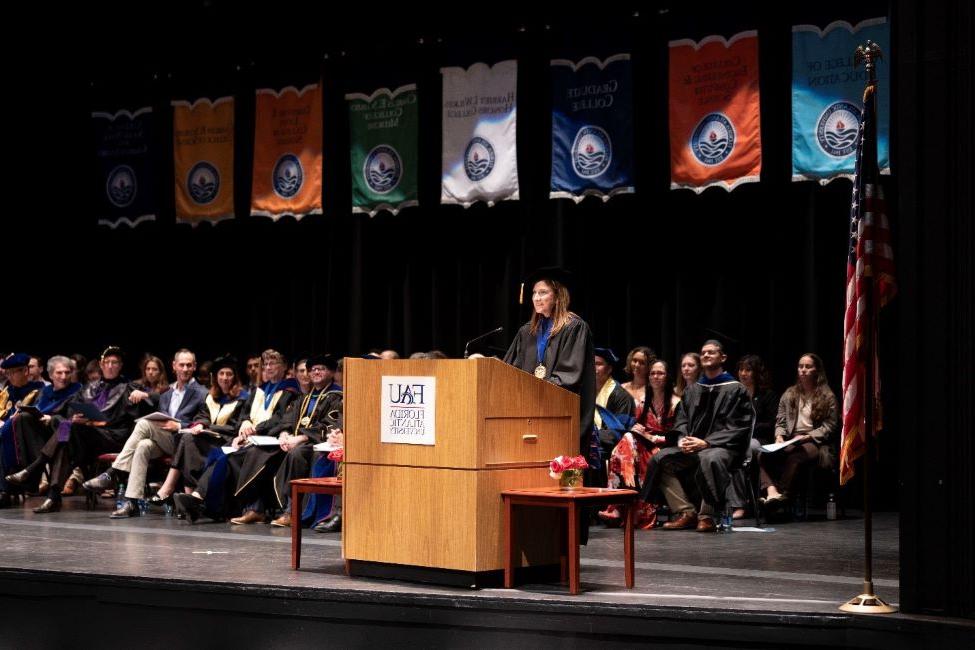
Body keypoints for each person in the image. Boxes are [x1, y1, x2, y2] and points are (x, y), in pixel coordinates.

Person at [173, 349, 300, 523]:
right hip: (252, 439)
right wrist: (245, 425)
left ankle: (207, 504)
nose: (269, 367)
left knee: (229, 458)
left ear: (284, 366)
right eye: (267, 364)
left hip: (271, 442)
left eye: (274, 363)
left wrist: (255, 430)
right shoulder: (260, 390)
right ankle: (200, 501)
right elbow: (244, 415)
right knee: (222, 454)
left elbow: (281, 420)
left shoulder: (291, 390)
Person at [642, 340, 753, 532]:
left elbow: (740, 426)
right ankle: (686, 512)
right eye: (703, 353)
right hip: (693, 445)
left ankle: (707, 515)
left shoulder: (736, 389)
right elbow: (681, 419)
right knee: (660, 459)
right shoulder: (693, 389)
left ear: (723, 357)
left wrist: (707, 442)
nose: (706, 355)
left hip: (723, 448)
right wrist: (683, 439)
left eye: (711, 352)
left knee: (709, 458)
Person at [82, 349, 208, 518]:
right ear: (174, 366)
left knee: (142, 424)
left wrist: (178, 425)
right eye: (182, 365)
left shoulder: (201, 393)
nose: (185, 369)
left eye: (189, 365)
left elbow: (204, 420)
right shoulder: (167, 393)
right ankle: (132, 503)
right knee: (142, 446)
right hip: (162, 440)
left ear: (194, 367)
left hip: (183, 442)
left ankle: (113, 473)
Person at [23, 346, 142, 513]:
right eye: (107, 362)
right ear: (101, 364)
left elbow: (155, 399)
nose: (110, 366)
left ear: (120, 365)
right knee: (65, 431)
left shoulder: (130, 387)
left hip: (112, 438)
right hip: (87, 437)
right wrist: (75, 417)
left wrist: (144, 395)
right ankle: (53, 496)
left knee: (67, 432)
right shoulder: (89, 387)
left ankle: (37, 467)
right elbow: (68, 407)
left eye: (114, 362)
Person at [504, 267, 595, 455]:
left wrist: (534, 391)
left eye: (543, 292)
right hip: (528, 415)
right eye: (534, 293)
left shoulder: (574, 327)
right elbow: (509, 370)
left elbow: (568, 376)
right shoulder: (527, 331)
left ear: (558, 296)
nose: (536, 298)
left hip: (559, 414)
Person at [150, 355, 248, 506]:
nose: (225, 378)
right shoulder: (211, 397)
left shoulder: (243, 397)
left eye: (229, 374)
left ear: (235, 377)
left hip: (228, 443)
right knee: (187, 437)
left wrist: (209, 427)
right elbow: (203, 416)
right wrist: (201, 425)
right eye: (221, 374)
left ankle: (170, 488)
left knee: (187, 440)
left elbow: (236, 426)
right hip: (209, 440)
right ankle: (188, 496)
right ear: (215, 377)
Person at [599, 359, 678, 529]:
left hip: (666, 448)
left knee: (628, 446)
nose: (655, 377)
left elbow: (677, 436)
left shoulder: (676, 403)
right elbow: (638, 426)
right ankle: (619, 506)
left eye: (660, 373)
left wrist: (651, 438)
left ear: (668, 376)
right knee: (627, 440)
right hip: (643, 445)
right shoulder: (643, 402)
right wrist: (637, 429)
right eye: (652, 373)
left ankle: (617, 507)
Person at [268, 354, 343, 528]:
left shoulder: (337, 397)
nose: (316, 372)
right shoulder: (304, 398)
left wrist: (301, 438)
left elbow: (329, 425)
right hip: (296, 441)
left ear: (331, 372)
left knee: (297, 453)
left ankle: (292, 511)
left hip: (318, 443)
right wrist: (285, 434)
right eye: (313, 369)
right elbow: (287, 419)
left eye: (321, 369)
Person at [759, 353, 838, 506]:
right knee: (761, 456)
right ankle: (772, 491)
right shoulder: (790, 394)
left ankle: (782, 495)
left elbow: (830, 425)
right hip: (791, 439)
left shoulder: (827, 396)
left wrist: (808, 436)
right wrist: (779, 437)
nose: (803, 370)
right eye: (800, 366)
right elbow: (780, 420)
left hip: (816, 442)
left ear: (817, 370)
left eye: (808, 367)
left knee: (796, 456)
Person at [2, 356, 81, 501]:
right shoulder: (45, 392)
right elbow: (37, 410)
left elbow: (77, 418)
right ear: (50, 375)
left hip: (69, 439)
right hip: (44, 440)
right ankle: (29, 479)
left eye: (67, 372)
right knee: (23, 418)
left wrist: (51, 419)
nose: (63, 377)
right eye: (59, 373)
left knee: (60, 422)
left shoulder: (78, 390)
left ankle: (33, 468)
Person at [725, 354, 778, 518]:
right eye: (741, 369)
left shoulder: (767, 395)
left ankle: (740, 505)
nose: (743, 373)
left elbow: (771, 423)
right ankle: (764, 490)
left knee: (744, 449)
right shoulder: (733, 394)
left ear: (756, 373)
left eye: (748, 370)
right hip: (737, 440)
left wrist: (748, 428)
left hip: (759, 439)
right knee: (732, 452)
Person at [0, 354, 46, 506]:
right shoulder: (7, 391)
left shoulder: (39, 390)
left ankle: (5, 491)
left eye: (13, 372)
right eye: (8, 373)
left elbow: (34, 416)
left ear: (25, 371)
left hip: (27, 436)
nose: (10, 376)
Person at [593, 347, 636, 461]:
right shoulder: (585, 392)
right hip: (591, 441)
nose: (593, 368)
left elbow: (618, 432)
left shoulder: (621, 396)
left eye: (598, 364)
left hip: (611, 448)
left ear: (609, 369)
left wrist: (591, 435)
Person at [620, 347, 655, 413]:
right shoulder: (621, 388)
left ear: (649, 366)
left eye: (642, 363)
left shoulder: (653, 390)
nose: (637, 365)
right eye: (634, 360)